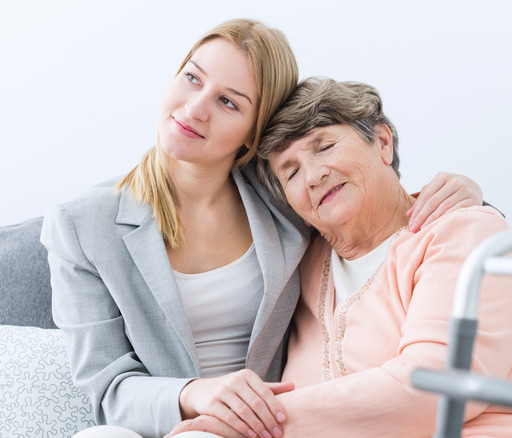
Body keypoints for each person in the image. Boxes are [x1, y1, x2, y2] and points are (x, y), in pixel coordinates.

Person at [41, 20, 484, 438]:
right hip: (168, 424)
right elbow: (109, 389)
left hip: (274, 423)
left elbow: (376, 206)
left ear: (255, 133)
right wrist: (196, 393)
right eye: (193, 78)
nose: (194, 109)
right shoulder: (80, 226)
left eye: (228, 101)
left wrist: (466, 191)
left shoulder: (287, 199)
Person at [168, 77, 512, 438]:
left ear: (383, 142)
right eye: (291, 171)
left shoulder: (463, 232)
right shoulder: (301, 265)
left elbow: (436, 387)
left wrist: (244, 426)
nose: (314, 175)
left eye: (325, 146)